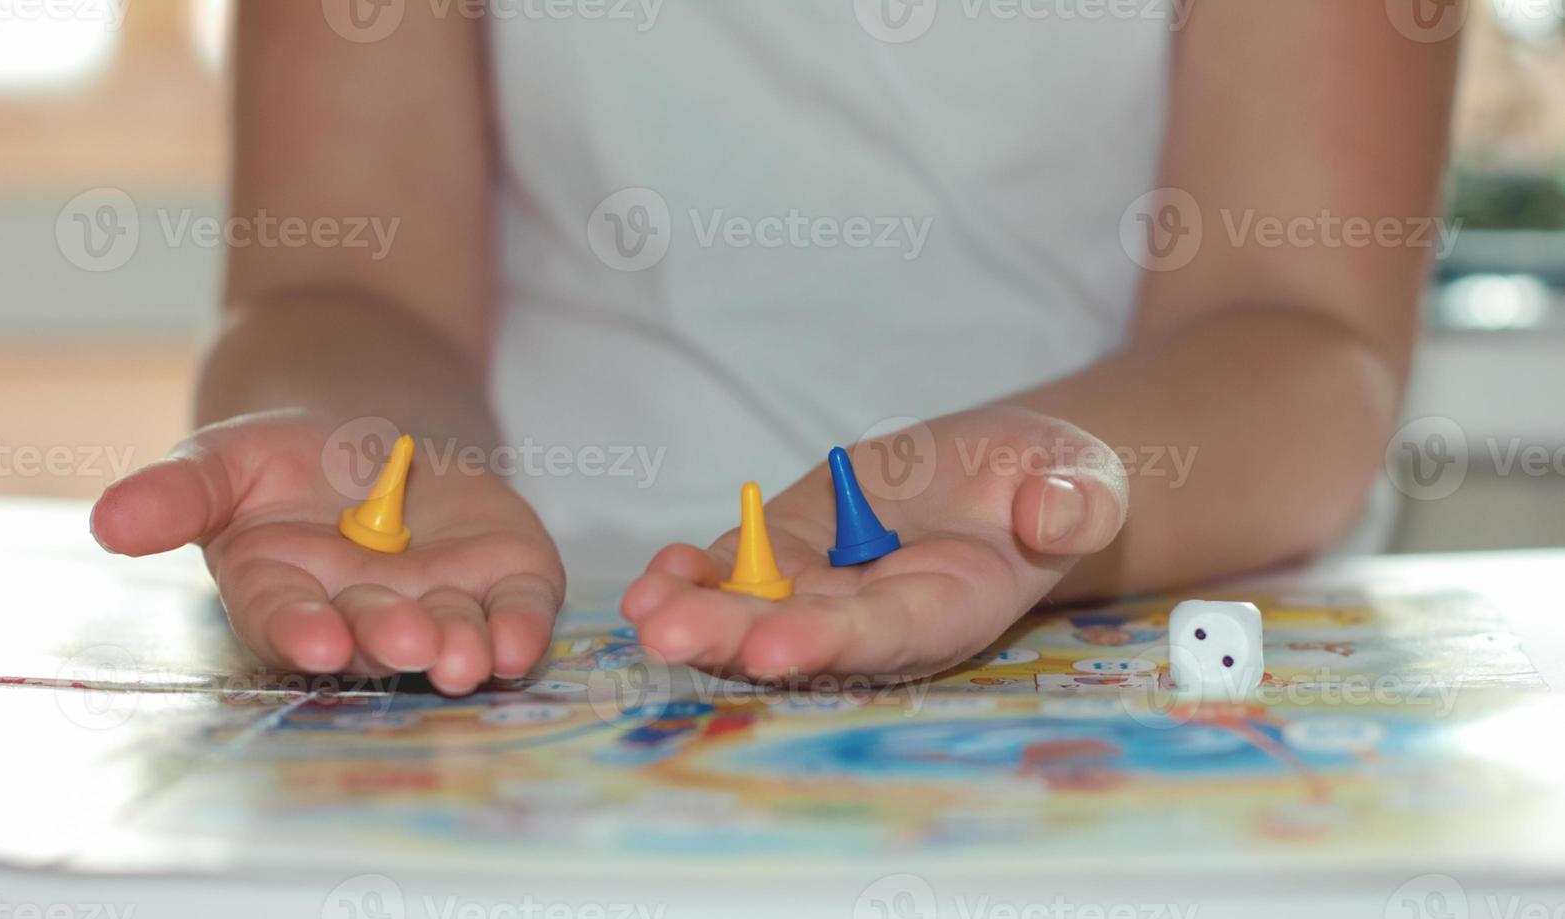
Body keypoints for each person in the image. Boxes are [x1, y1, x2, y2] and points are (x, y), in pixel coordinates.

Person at [89, 1, 1460, 694]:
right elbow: (345, 283)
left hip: (1144, 622)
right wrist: (352, 448)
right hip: (522, 649)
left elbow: (1303, 330)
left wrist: (1065, 493)